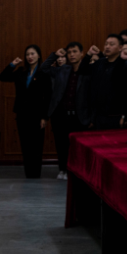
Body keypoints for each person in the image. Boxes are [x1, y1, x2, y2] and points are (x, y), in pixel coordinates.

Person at [0, 45, 51, 179]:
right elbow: (2, 77)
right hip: (22, 114)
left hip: (37, 115)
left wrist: (45, 117)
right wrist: (12, 64)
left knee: (36, 146)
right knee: (25, 145)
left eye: (33, 53)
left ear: (38, 55)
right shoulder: (21, 71)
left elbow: (48, 97)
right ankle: (29, 174)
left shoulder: (44, 73)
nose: (30, 56)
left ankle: (36, 174)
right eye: (27, 54)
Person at [41, 42, 89, 180]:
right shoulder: (63, 69)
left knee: (78, 147)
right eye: (69, 52)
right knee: (61, 145)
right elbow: (44, 68)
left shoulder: (87, 71)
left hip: (79, 117)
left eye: (74, 51)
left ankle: (76, 171)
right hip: (61, 116)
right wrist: (55, 55)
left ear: (82, 53)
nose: (71, 55)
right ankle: (63, 169)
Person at [80, 35, 127, 130]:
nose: (107, 47)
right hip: (99, 116)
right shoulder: (100, 63)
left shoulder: (124, 65)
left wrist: (124, 115)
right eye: (106, 44)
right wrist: (89, 54)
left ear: (120, 47)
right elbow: (82, 70)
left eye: (111, 44)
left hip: (116, 116)